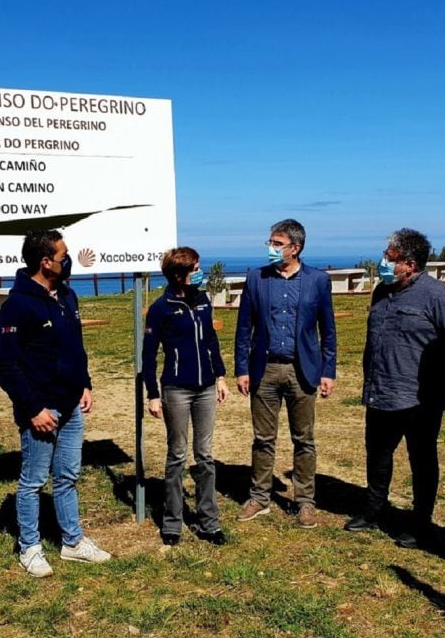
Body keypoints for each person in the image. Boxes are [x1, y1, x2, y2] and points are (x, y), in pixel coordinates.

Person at [0, 229, 111, 577]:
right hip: (42, 409)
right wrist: (32, 409)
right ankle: (29, 547)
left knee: (68, 476)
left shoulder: (67, 296)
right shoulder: (17, 305)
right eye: (63, 255)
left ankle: (72, 542)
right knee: (33, 481)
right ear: (45, 262)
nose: (68, 259)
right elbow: (4, 365)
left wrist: (84, 384)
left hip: (72, 404)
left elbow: (76, 348)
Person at [344, 229, 445, 549]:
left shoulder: (439, 297)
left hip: (419, 398)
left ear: (409, 264)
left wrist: (444, 386)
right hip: (380, 391)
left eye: (388, 258)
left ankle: (421, 522)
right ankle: (373, 510)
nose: (382, 262)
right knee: (377, 456)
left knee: (422, 460)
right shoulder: (382, 291)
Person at [234, 218, 337, 528]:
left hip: (302, 370)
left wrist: (328, 371)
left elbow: (327, 330)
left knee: (304, 439)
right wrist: (241, 369)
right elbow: (243, 328)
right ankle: (259, 498)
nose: (271, 248)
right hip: (263, 370)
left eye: (277, 244)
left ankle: (305, 501)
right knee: (263, 439)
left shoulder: (318, 281)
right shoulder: (256, 279)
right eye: (270, 242)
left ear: (296, 248)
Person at [143, 247, 230, 546]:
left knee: (204, 456)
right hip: (176, 390)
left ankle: (210, 522)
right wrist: (153, 394)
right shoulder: (161, 307)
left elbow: (210, 340)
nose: (199, 272)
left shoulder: (202, 300)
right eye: (195, 268)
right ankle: (172, 523)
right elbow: (148, 353)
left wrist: (220, 376)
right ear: (179, 273)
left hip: (206, 388)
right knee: (177, 455)